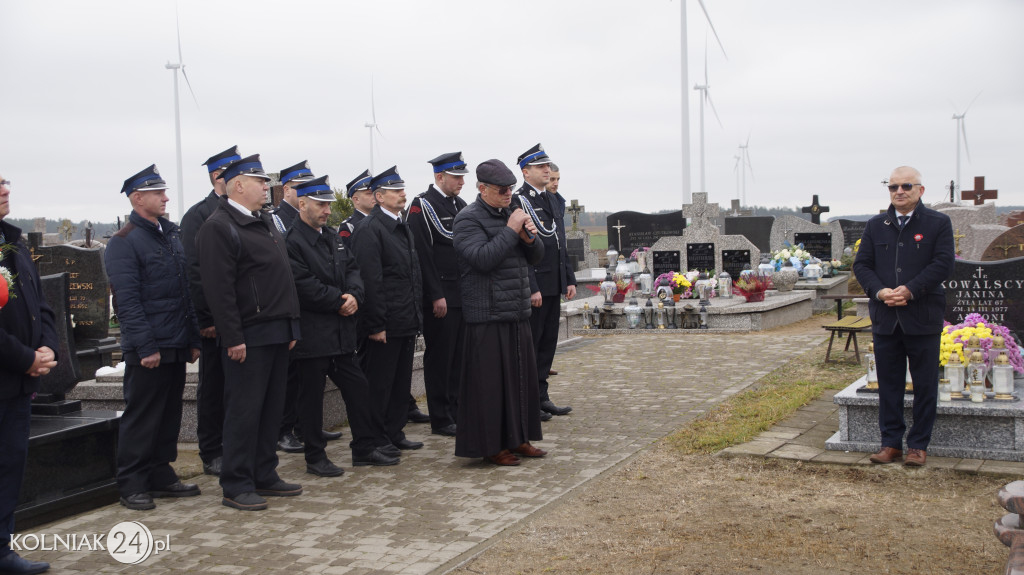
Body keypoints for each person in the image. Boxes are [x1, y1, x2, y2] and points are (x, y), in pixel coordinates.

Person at [196, 154, 303, 510]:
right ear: (238, 185)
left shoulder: (262, 220)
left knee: (270, 409)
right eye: (260, 182)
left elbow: (282, 276)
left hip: (276, 329)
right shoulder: (219, 226)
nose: (266, 188)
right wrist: (233, 336)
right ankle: (237, 483)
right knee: (244, 411)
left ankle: (263, 472)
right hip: (249, 334)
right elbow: (219, 288)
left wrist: (291, 323)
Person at [285, 176, 399, 475]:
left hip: (341, 333)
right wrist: (338, 300)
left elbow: (353, 269)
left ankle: (364, 447)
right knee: (311, 399)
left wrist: (354, 295)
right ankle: (315, 457)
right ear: (302, 204)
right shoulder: (292, 241)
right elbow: (302, 284)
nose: (327, 210)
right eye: (321, 205)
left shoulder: (332, 236)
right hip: (313, 335)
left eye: (328, 205)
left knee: (359, 389)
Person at [105, 165, 202, 510]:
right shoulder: (124, 241)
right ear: (137, 198)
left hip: (175, 341)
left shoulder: (170, 235)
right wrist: (145, 346)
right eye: (157, 193)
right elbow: (127, 302)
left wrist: (193, 338)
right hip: (149, 347)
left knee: (169, 414)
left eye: (164, 192)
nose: (165, 198)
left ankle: (161, 473)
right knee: (143, 416)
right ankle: (132, 482)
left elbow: (185, 292)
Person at [853, 165, 954, 468]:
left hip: (922, 316)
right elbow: (862, 265)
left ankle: (918, 446)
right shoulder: (876, 225)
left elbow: (943, 264)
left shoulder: (938, 223)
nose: (899, 192)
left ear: (920, 190)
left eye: (906, 186)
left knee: (925, 385)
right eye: (893, 187)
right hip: (886, 317)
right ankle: (890, 443)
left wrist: (911, 290)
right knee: (889, 385)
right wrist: (879, 292)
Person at [453, 159, 546, 466]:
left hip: (515, 311)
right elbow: (482, 259)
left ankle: (519, 438)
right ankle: (491, 446)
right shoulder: (467, 219)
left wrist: (529, 238)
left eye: (510, 189)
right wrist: (511, 230)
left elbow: (536, 256)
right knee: (490, 387)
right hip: (487, 313)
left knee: (519, 382)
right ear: (482, 188)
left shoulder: (511, 213)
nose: (508, 194)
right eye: (502, 190)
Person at [340, 170, 431, 425]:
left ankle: (394, 432)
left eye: (402, 189)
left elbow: (411, 275)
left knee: (400, 384)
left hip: (405, 319)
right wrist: (376, 324)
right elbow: (370, 281)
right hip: (386, 323)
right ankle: (377, 436)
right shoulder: (369, 229)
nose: (403, 194)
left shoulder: (401, 225)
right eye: (396, 190)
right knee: (380, 384)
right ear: (379, 197)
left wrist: (416, 317)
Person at [0, 174, 56, 575]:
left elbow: (41, 303)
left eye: (4, 182)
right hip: (10, 371)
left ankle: (2, 549)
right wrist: (24, 358)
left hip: (18, 386)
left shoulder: (13, 242)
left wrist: (48, 347)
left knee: (9, 468)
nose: (5, 190)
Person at [180, 145, 241, 477]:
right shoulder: (198, 215)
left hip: (240, 316)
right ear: (219, 176)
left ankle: (234, 446)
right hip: (214, 321)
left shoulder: (242, 212)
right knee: (214, 386)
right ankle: (212, 450)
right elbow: (195, 271)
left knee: (236, 387)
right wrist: (205, 318)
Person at [511, 144, 575, 421]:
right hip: (536, 285)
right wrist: (532, 286)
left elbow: (560, 242)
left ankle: (542, 396)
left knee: (548, 344)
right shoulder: (518, 201)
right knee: (532, 345)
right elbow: (521, 250)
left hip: (554, 283)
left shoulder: (552, 199)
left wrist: (568, 278)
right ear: (526, 172)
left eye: (547, 166)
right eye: (540, 167)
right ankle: (527, 402)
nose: (547, 170)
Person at [407, 152, 469, 437]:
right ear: (439, 176)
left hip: (462, 293)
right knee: (441, 358)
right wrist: (435, 294)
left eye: (462, 177)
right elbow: (422, 255)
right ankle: (441, 418)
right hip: (441, 296)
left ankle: (456, 410)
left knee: (458, 358)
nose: (461, 182)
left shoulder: (461, 205)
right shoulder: (422, 206)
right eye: (456, 177)